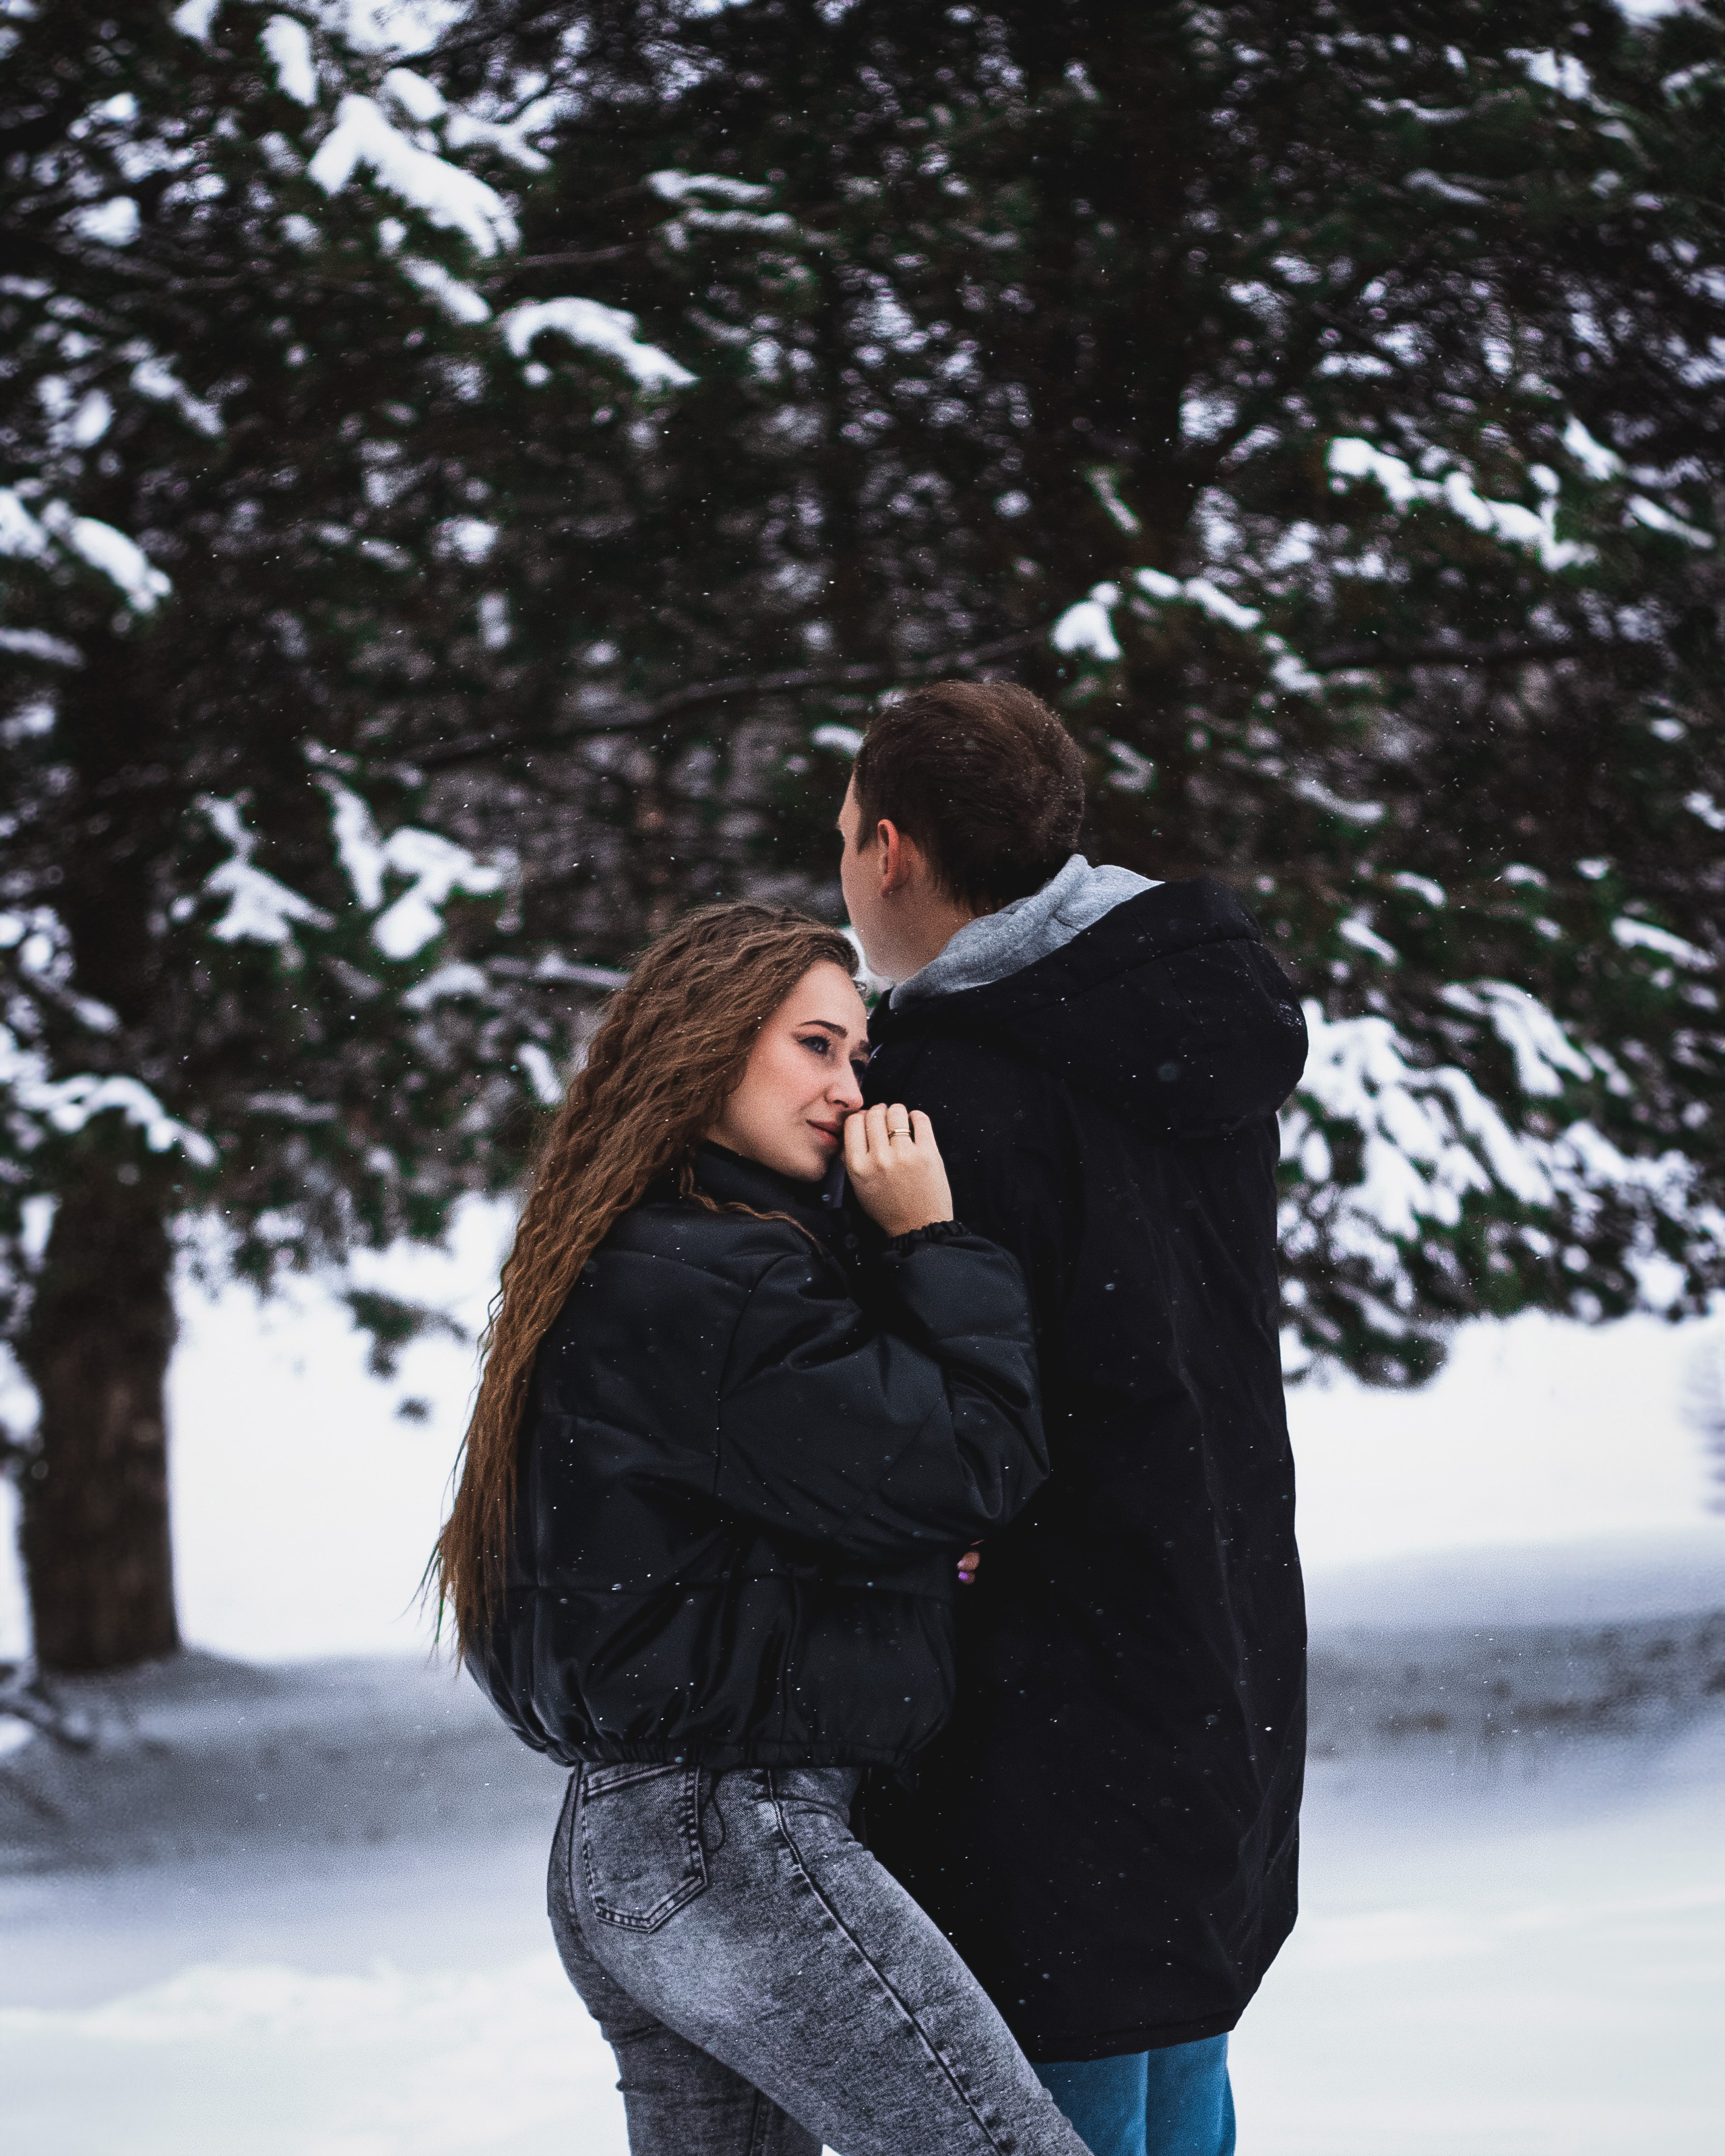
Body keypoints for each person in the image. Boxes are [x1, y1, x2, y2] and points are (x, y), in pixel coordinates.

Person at [431, 902, 1090, 2156]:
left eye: (856, 1054)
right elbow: (971, 1464)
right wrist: (932, 1241)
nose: (850, 1089)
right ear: (708, 1046)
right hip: (731, 1835)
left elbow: (825, 1497)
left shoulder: (645, 1257)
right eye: (816, 1047)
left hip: (633, 1843)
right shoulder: (717, 1282)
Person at [837, 683, 1311, 2156]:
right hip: (1209, 1654)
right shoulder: (1177, 1025)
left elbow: (919, 1429)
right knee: (1169, 2072)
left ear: (894, 848)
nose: (843, 862)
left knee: (1056, 2095)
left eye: (845, 832)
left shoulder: (939, 1100)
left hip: (1037, 1711)